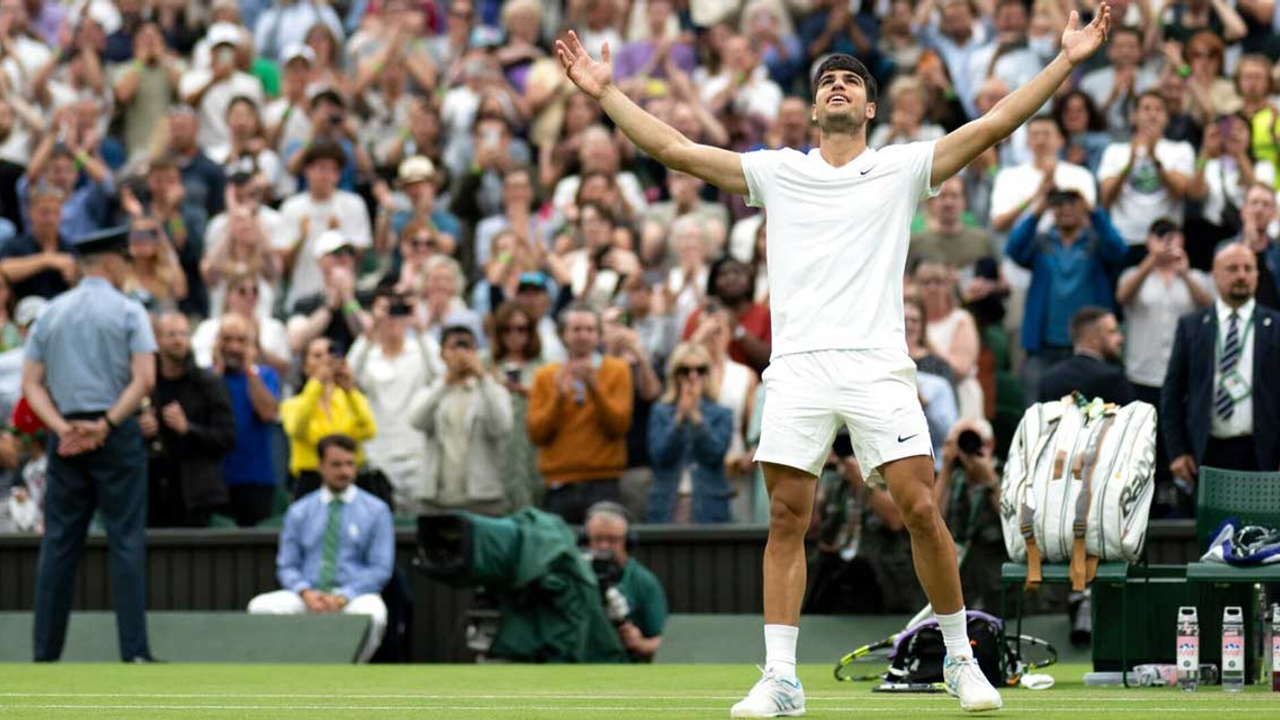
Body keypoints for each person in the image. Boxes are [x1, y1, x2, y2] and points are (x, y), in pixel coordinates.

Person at [554, 4, 1112, 711]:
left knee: (918, 508)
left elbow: (997, 123)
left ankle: (960, 659)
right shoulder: (778, 172)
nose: (838, 86)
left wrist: (1064, 61)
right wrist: (605, 93)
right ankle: (782, 679)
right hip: (799, 368)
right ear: (815, 109)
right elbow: (680, 152)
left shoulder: (904, 168)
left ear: (872, 107)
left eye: (851, 80)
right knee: (788, 517)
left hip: (878, 364)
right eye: (827, 83)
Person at [22, 227, 157, 662]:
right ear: (114, 262)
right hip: (114, 435)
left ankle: (45, 653)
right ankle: (133, 651)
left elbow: (31, 385)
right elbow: (145, 379)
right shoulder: (129, 310)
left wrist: (63, 427)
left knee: (58, 544)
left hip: (66, 437)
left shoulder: (51, 313)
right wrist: (107, 424)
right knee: (126, 541)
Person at [246, 433, 393, 664]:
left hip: (352, 597)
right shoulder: (299, 511)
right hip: (308, 596)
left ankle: (349, 668)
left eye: (350, 464)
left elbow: (380, 568)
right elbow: (287, 565)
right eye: (336, 465)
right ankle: (292, 667)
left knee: (373, 614)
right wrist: (306, 593)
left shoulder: (377, 511)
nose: (345, 472)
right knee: (261, 607)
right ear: (320, 467)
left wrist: (344, 597)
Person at [1161, 243, 1280, 514]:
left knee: (1261, 538)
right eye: (1232, 268)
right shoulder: (1191, 326)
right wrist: (1177, 451)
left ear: (1257, 275)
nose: (1241, 275)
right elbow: (1171, 394)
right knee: (1211, 537)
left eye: (1249, 269)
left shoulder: (1275, 326)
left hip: (1263, 454)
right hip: (1206, 453)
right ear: (1214, 274)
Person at [1007, 187, 1127, 404]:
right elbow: (1013, 248)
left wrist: (1094, 212)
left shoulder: (1095, 243)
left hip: (1087, 348)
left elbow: (1119, 250)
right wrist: (1036, 212)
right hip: (1043, 348)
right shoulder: (1041, 243)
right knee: (1037, 416)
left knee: (1091, 414)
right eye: (1059, 203)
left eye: (1073, 202)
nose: (1066, 209)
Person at [527, 303, 633, 524]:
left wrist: (595, 388)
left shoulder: (618, 370)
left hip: (603, 481)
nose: (583, 336)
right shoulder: (545, 376)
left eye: (589, 329)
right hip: (559, 484)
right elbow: (536, 433)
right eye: (576, 329)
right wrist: (558, 398)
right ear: (564, 335)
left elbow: (620, 426)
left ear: (599, 335)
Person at [349, 291, 442, 515]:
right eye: (386, 312)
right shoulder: (367, 355)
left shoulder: (420, 351)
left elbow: (441, 375)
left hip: (416, 454)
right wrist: (371, 330)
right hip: (378, 455)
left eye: (398, 312)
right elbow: (349, 376)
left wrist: (419, 327)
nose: (392, 319)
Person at [142, 312, 236, 528]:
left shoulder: (208, 383)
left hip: (196, 496)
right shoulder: (146, 383)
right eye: (171, 334)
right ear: (156, 339)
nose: (178, 340)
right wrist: (138, 429)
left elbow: (227, 438)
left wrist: (188, 429)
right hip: (152, 493)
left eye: (183, 334)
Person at [408, 325, 513, 515]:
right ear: (442, 354)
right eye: (454, 347)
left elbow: (502, 426)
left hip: (482, 498)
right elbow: (416, 421)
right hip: (438, 499)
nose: (461, 354)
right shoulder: (432, 390)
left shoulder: (492, 390)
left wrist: (483, 377)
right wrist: (447, 382)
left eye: (467, 347)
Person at [646, 341, 734, 523]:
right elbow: (660, 455)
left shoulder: (722, 413)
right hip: (667, 502)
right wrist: (678, 419)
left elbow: (715, 454)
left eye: (700, 370)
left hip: (709, 504)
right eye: (685, 370)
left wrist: (695, 417)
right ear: (675, 375)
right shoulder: (660, 412)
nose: (692, 376)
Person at [281, 336, 377, 496]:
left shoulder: (349, 399)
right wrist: (316, 384)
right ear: (305, 366)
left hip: (349, 479)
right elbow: (298, 429)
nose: (325, 360)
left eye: (330, 354)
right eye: (317, 356)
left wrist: (350, 390)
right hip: (310, 481)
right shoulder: (292, 404)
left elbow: (369, 430)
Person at [214, 313, 282, 527]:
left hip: (255, 478)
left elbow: (268, 413)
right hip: (215, 478)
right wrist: (215, 372)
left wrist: (250, 370)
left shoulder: (265, 375)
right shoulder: (206, 377)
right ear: (217, 342)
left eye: (241, 341)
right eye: (227, 339)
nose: (234, 347)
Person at [935, 418, 1006, 613]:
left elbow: (1016, 524)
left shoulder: (1009, 474)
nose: (966, 447)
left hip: (1001, 589)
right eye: (960, 442)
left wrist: (991, 481)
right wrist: (946, 470)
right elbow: (931, 522)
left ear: (989, 444)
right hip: (963, 586)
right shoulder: (953, 480)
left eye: (973, 439)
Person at [584, 501, 667, 662]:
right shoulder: (575, 577)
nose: (604, 546)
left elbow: (664, 642)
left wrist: (641, 644)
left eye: (613, 540)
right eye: (597, 539)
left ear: (628, 542)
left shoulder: (643, 581)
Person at [1038, 306, 1135, 404]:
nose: (1120, 338)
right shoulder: (1113, 379)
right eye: (1112, 332)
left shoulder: (1050, 378)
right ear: (1092, 339)